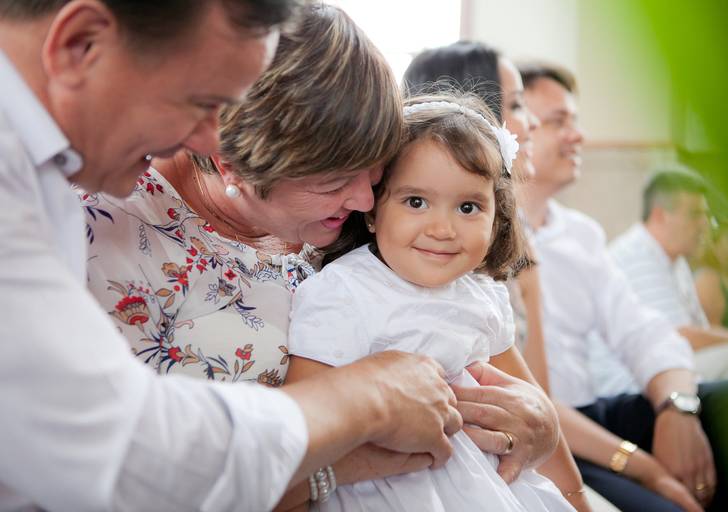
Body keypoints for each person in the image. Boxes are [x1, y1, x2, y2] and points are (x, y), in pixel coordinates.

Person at [78, 5, 560, 511]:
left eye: (375, 174)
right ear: (231, 162)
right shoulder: (104, 242)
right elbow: (109, 480)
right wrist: (338, 464)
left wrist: (542, 429)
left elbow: (508, 379)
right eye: (333, 182)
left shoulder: (369, 223)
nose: (365, 202)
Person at [0, 1, 469, 509]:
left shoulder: (41, 172)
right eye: (199, 101)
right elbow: (123, 453)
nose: (211, 139)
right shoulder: (91, 216)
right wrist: (366, 404)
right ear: (81, 43)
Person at [287, 93, 572, 511]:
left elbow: (535, 408)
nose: (442, 228)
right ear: (371, 210)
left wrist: (577, 496)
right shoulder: (343, 291)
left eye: (468, 207)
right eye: (415, 202)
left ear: (497, 220)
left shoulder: (482, 294)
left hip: (492, 487)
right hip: (388, 491)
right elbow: (301, 428)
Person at [403, 41, 608, 512]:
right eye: (517, 105)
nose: (531, 122)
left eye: (470, 207)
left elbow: (539, 404)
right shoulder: (427, 260)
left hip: (525, 458)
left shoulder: (507, 256)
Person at [517, 62, 725, 512]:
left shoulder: (581, 234)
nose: (578, 135)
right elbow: (528, 399)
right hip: (554, 435)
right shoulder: (476, 237)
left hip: (600, 414)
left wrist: (676, 407)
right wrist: (639, 464)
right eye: (558, 122)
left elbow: (643, 332)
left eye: (575, 120)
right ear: (512, 126)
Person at [593, 170, 728, 395]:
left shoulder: (676, 261)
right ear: (660, 216)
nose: (705, 225)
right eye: (695, 214)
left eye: (706, 215)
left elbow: (697, 330)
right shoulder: (634, 255)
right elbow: (677, 336)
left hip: (668, 367)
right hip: (629, 384)